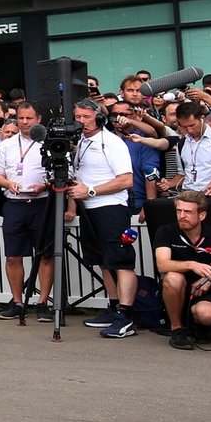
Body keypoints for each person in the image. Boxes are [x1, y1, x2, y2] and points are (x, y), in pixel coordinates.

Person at [65, 99, 142, 339]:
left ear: (99, 117)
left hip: (111, 207)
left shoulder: (112, 142)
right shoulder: (80, 142)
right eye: (78, 116)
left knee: (120, 260)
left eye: (86, 116)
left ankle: (127, 316)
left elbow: (126, 180)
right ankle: (113, 306)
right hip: (89, 209)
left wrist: (90, 191)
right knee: (104, 261)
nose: (82, 121)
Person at [0, 102, 55, 321]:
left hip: (42, 203)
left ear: (38, 119)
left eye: (29, 118)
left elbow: (64, 173)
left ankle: (43, 302)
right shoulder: (7, 145)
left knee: (46, 254)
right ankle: (17, 302)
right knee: (13, 255)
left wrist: (44, 185)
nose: (25, 123)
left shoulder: (49, 142)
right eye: (21, 118)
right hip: (14, 204)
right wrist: (7, 184)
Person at [155, 192, 211, 349]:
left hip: (205, 290)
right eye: (179, 211)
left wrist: (210, 280)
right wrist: (192, 264)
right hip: (175, 288)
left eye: (188, 212)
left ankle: (198, 325)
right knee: (174, 277)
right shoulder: (166, 231)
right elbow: (162, 265)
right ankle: (177, 329)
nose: (182, 216)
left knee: (207, 315)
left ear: (202, 215)